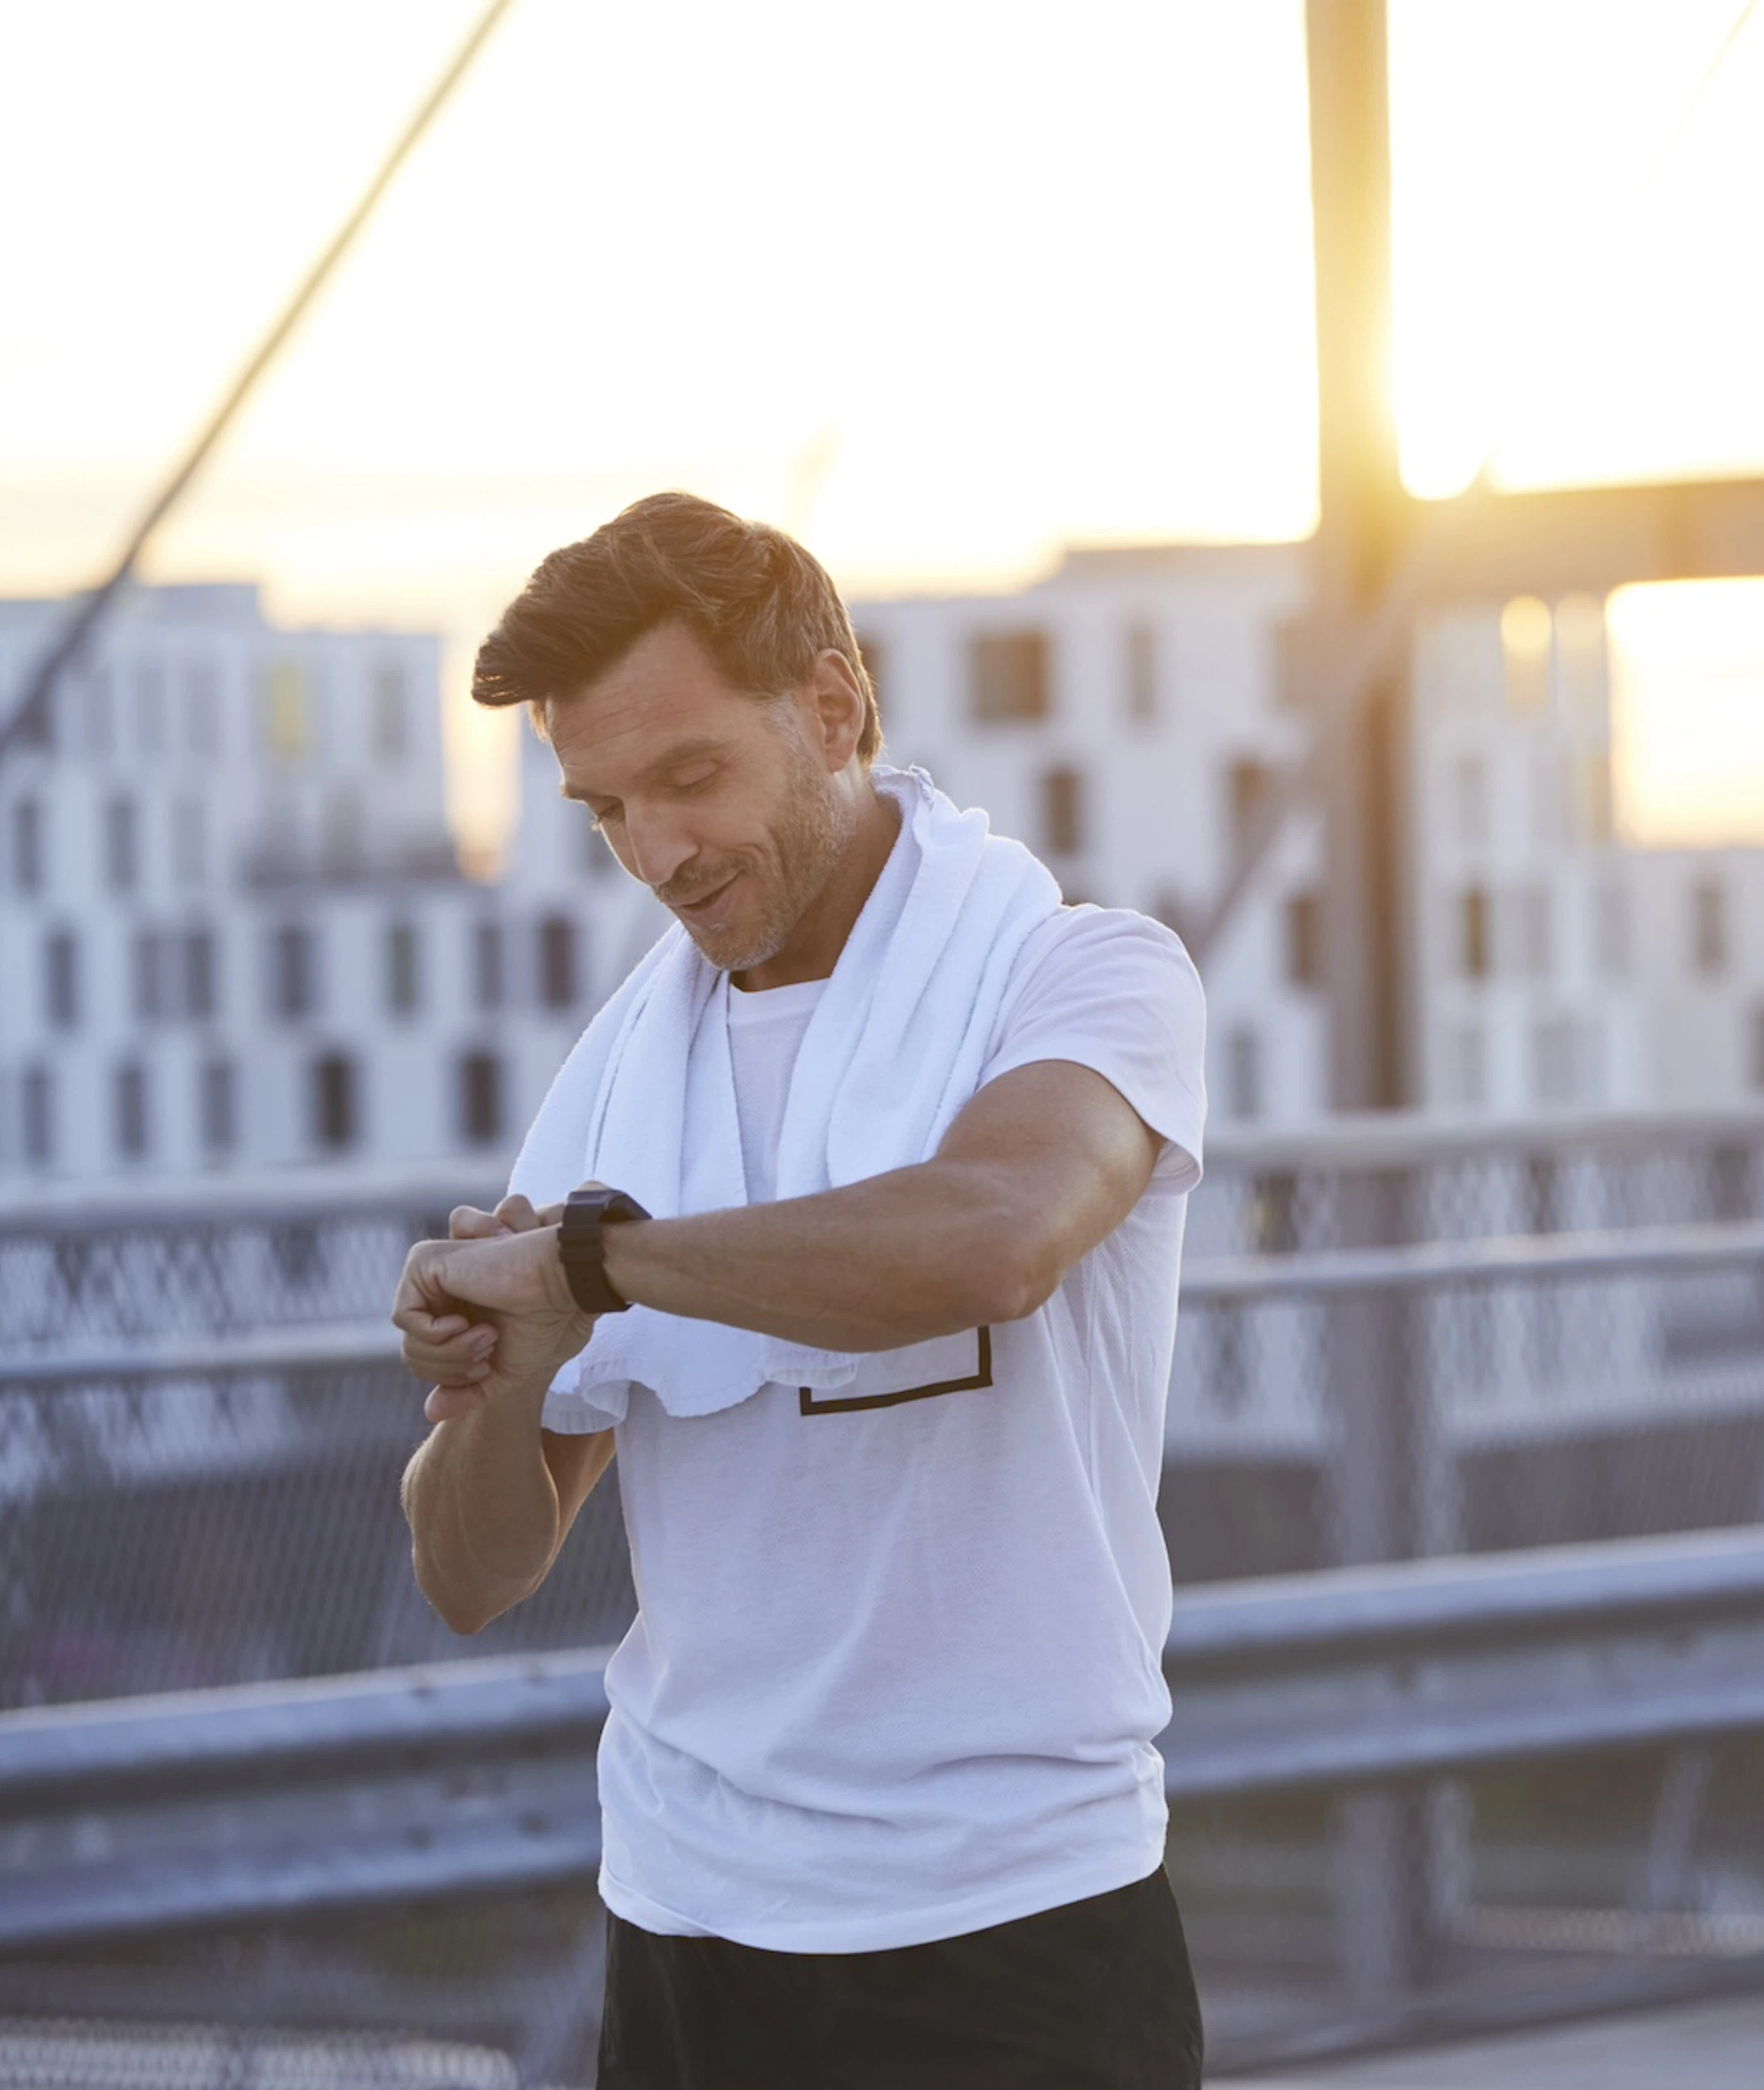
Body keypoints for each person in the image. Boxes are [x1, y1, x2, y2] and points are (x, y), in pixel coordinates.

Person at [390, 491, 1207, 2088]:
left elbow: (994, 1236)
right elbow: (471, 1570)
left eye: (691, 776)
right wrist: (501, 1379)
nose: (659, 851)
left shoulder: (1085, 977)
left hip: (1017, 1918)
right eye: (608, 805)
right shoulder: (617, 1081)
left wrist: (590, 1261)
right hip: (690, 1921)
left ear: (834, 707)